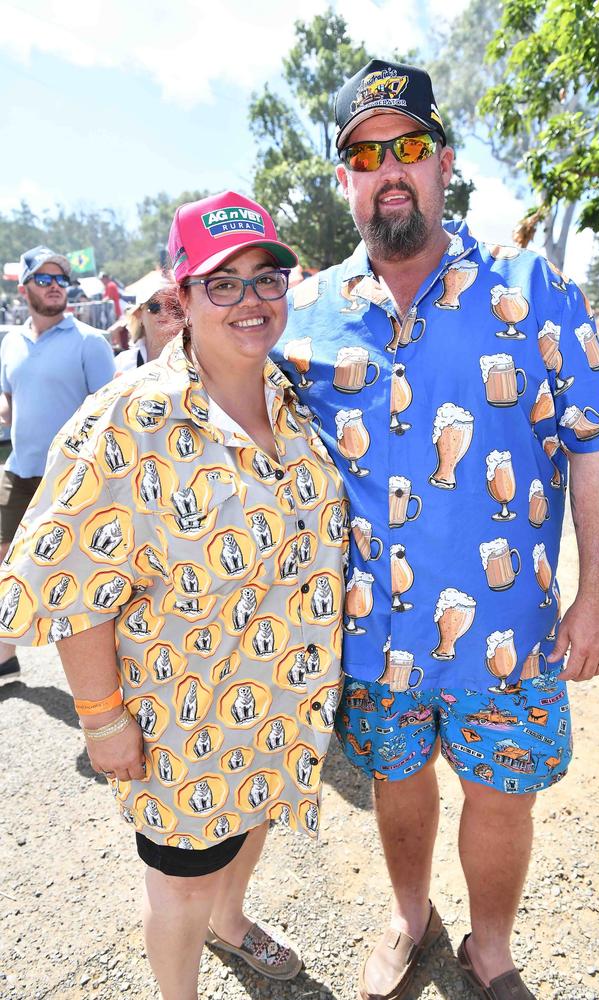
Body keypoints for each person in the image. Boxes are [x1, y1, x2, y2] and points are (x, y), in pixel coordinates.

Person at [273, 59, 599, 1000]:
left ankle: (492, 947)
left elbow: (596, 443)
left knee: (504, 794)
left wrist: (597, 598)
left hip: (508, 629)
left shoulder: (532, 291)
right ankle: (408, 914)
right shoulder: (303, 317)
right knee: (399, 785)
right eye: (365, 152)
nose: (390, 166)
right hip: (372, 633)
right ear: (343, 178)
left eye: (412, 146)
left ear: (446, 162)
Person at [0, 192, 347, 1000]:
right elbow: (71, 578)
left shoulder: (295, 400)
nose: (250, 301)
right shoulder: (128, 418)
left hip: (276, 700)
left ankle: (234, 924)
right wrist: (100, 716)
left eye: (266, 278)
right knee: (182, 884)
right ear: (181, 299)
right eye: (222, 284)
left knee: (253, 823)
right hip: (180, 724)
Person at [0, 245, 115, 682]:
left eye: (60, 280)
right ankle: (4, 656)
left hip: (71, 480)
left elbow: (111, 417)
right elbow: (10, 406)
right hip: (18, 469)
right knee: (6, 563)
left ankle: (101, 681)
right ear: (25, 286)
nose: (54, 287)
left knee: (82, 578)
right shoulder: (11, 341)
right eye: (44, 280)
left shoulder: (90, 342)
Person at [114, 276, 184, 372]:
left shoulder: (197, 360)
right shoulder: (122, 364)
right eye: (154, 306)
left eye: (172, 305)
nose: (164, 312)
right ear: (138, 314)